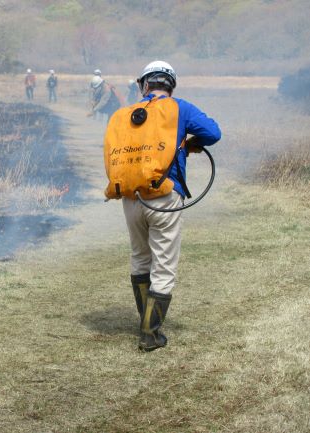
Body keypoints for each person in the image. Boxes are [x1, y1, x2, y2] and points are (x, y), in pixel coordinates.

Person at [103, 61, 221, 351]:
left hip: (131, 198)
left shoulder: (124, 114)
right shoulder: (179, 107)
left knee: (140, 258)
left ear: (144, 85)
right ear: (171, 85)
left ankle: (145, 322)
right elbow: (213, 133)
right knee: (164, 265)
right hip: (165, 198)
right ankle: (150, 333)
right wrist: (191, 141)